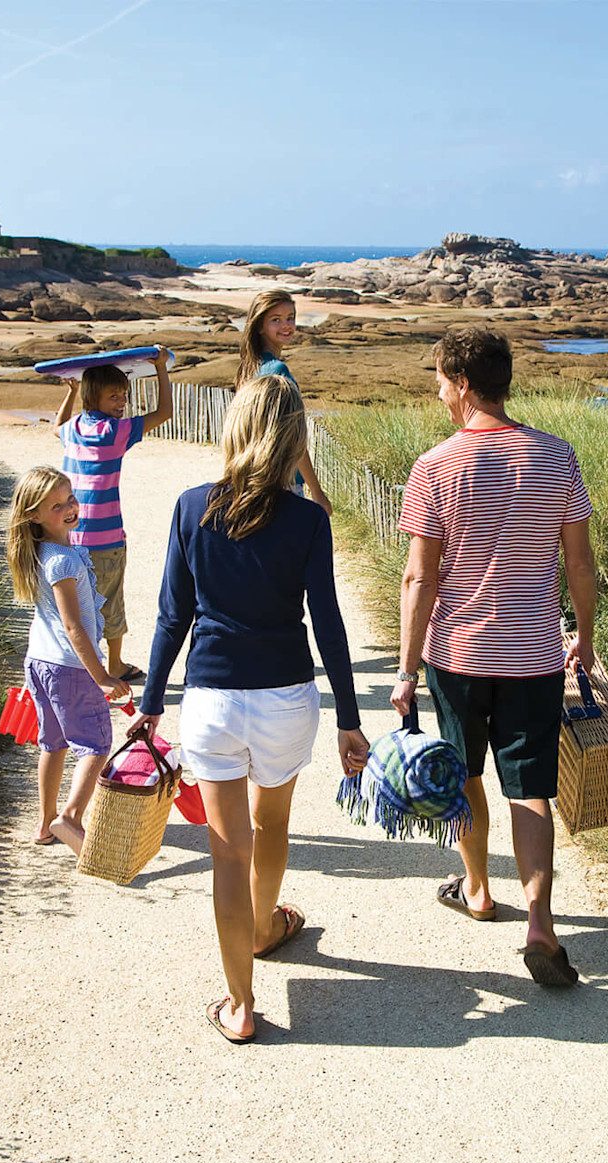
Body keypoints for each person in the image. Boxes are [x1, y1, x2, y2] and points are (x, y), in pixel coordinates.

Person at [131, 374, 369, 1043]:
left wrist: (151, 703)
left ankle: (239, 1006)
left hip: (211, 701)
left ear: (235, 428)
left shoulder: (190, 508)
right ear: (294, 437)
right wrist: (350, 719)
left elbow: (172, 617)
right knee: (273, 823)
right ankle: (266, 928)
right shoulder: (308, 520)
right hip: (286, 699)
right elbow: (328, 624)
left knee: (228, 854)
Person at [391, 325, 598, 988]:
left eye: (441, 384)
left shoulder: (435, 466)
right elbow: (580, 564)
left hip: (457, 654)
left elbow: (419, 578)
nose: (440, 397)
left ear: (464, 385)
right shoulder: (557, 456)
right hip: (534, 656)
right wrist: (584, 638)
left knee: (466, 775)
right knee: (531, 789)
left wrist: (406, 668)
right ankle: (540, 920)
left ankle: (478, 889)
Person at [4, 466, 132, 851]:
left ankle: (45, 824)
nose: (70, 508)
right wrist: (103, 677)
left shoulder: (40, 553)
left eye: (70, 499)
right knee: (96, 745)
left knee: (53, 744)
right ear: (34, 516)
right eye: (57, 505)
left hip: (40, 662)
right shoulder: (63, 561)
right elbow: (74, 627)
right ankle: (70, 819)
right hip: (70, 667)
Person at [54, 353, 173, 685]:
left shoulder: (73, 430)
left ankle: (80, 665)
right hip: (105, 539)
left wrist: (70, 393)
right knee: (110, 603)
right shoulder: (115, 431)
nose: (122, 402)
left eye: (124, 395)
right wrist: (160, 368)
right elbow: (165, 413)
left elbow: (57, 427)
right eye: (114, 396)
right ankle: (115, 665)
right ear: (95, 397)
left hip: (69, 537)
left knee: (77, 605)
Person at [234, 289, 331, 513]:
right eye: (276, 320)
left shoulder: (249, 368)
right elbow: (293, 437)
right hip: (284, 481)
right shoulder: (278, 372)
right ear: (259, 326)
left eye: (290, 318)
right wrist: (317, 492)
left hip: (253, 475)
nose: (286, 325)